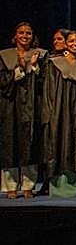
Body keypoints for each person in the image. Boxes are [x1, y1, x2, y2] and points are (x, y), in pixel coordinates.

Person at [0, 22, 45, 198]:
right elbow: (2, 81)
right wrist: (18, 68)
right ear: (15, 35)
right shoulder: (5, 55)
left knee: (30, 145)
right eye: (21, 33)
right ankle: (10, 186)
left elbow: (44, 82)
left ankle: (28, 185)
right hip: (10, 106)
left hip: (32, 106)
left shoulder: (40, 55)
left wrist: (33, 66)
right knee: (10, 145)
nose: (25, 36)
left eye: (28, 33)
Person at [41, 30, 76, 197]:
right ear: (66, 44)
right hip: (59, 110)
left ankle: (74, 187)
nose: (75, 44)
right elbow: (48, 90)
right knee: (58, 143)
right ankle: (57, 186)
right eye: (72, 41)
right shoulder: (54, 63)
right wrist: (51, 113)